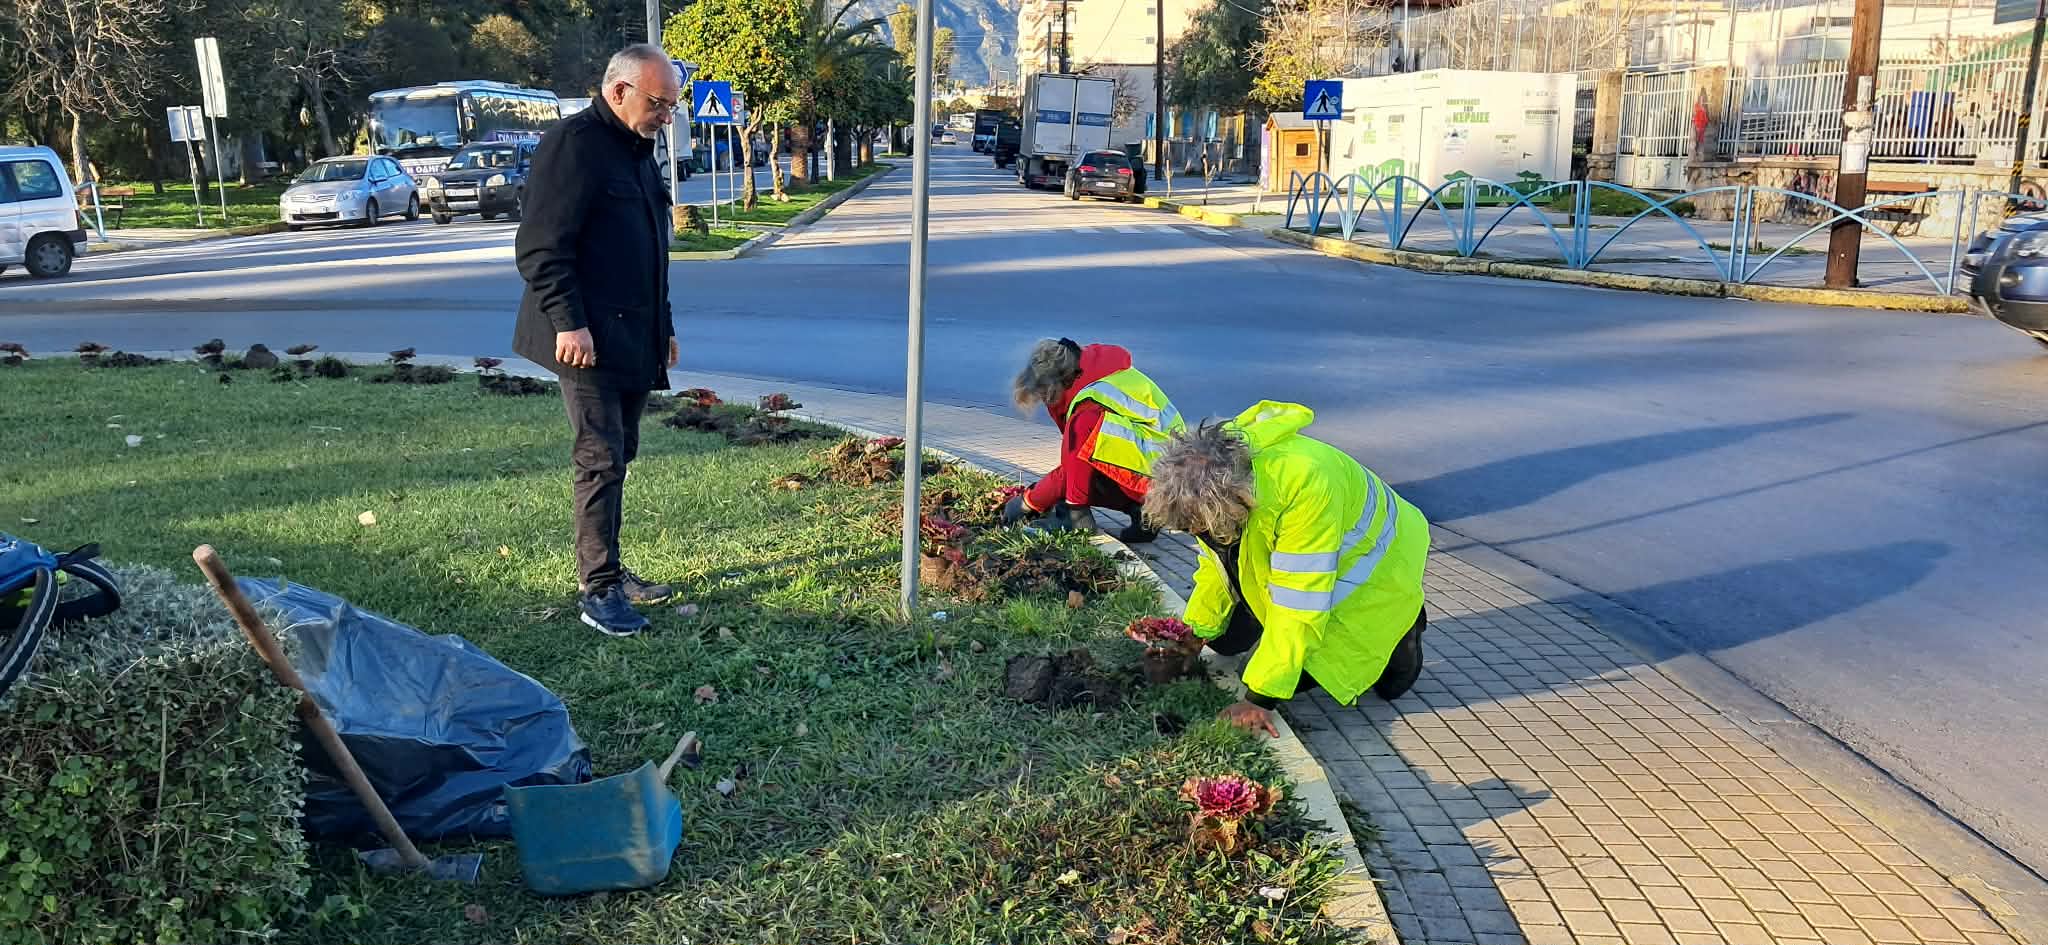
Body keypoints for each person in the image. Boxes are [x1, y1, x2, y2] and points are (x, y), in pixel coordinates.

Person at [511, 44, 682, 637]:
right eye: (659, 103)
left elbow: (648, 251)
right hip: (582, 338)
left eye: (672, 106)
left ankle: (610, 565)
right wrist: (568, 322)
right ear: (618, 91)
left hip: (635, 334)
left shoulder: (637, 151)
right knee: (599, 456)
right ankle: (599, 589)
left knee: (621, 452)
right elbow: (539, 248)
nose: (667, 116)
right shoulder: (574, 144)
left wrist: (666, 326)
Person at [1142, 403, 1430, 737]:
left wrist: (1259, 699)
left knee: (1267, 674)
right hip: (1314, 554)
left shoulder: (1306, 486)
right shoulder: (1218, 477)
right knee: (1225, 641)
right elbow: (1218, 568)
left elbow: (1300, 601)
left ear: (1234, 500)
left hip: (1379, 563)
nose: (1200, 536)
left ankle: (1404, 627)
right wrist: (1193, 634)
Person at [1001, 339, 1186, 543]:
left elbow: (1071, 470)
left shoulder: (1088, 405)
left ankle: (1076, 519)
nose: (1045, 402)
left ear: (1055, 385)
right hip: (1167, 470)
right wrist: (1044, 492)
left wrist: (1026, 502)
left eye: (1044, 396)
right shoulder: (1099, 375)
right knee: (1081, 474)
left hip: (1164, 477)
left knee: (1079, 459)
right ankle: (1143, 511)